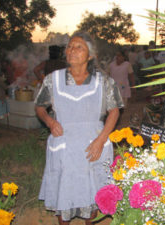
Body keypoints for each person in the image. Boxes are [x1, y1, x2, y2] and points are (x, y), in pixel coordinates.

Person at [35, 31, 123, 225]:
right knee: (63, 184)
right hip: (64, 143)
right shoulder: (53, 79)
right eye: (70, 46)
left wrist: (101, 140)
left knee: (91, 185)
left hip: (93, 142)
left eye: (78, 47)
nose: (71, 50)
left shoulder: (104, 81)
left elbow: (114, 111)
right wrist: (50, 122)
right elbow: (40, 107)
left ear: (90, 55)